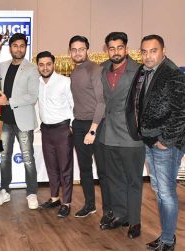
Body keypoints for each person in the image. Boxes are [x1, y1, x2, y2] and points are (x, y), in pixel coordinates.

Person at [126, 34, 185, 251]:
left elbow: (181, 113)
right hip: (149, 140)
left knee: (167, 193)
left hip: (164, 145)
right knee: (159, 190)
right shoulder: (144, 72)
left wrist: (165, 141)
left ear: (163, 51)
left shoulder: (172, 74)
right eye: (144, 51)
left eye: (153, 51)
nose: (148, 56)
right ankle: (165, 237)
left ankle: (168, 241)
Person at [98, 32, 145, 239]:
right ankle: (120, 215)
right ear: (106, 49)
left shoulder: (139, 71)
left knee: (133, 181)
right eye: (111, 48)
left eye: (119, 47)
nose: (115, 52)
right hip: (109, 135)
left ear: (126, 48)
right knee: (114, 180)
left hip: (131, 135)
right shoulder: (103, 70)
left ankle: (134, 222)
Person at [0, 33, 39, 210]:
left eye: (22, 46)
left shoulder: (32, 68)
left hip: (23, 121)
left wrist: (9, 101)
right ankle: (4, 190)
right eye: (15, 45)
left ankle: (32, 192)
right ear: (10, 48)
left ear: (25, 48)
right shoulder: (2, 66)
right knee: (4, 158)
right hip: (4, 120)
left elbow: (32, 97)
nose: (18, 49)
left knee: (28, 158)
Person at [68, 35, 111, 223]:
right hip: (78, 125)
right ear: (70, 52)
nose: (78, 52)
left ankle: (109, 211)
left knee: (102, 170)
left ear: (87, 50)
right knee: (85, 169)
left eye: (81, 49)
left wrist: (92, 130)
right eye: (74, 49)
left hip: (96, 125)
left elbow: (101, 102)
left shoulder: (95, 69)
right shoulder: (74, 72)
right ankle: (90, 205)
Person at [36, 51, 74, 217]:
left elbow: (74, 104)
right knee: (51, 166)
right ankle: (54, 198)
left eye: (48, 64)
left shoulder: (65, 81)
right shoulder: (36, 82)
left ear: (54, 64)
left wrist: (71, 126)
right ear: (38, 66)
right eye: (41, 64)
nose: (45, 68)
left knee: (65, 167)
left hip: (62, 129)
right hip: (46, 130)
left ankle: (66, 203)